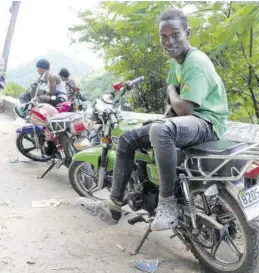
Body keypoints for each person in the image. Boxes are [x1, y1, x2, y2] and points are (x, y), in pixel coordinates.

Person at [80, 9, 229, 231]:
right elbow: (174, 107)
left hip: (207, 123)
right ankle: (114, 204)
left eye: (176, 34)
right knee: (128, 138)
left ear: (187, 33)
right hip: (188, 123)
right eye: (164, 36)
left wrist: (169, 93)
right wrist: (161, 120)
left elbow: (185, 108)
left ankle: (167, 201)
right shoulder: (175, 61)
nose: (169, 41)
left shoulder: (195, 61)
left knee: (160, 131)